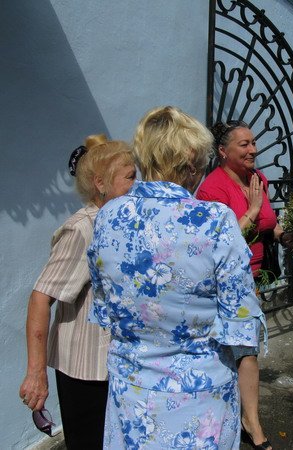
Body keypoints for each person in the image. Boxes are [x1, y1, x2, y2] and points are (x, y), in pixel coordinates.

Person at [88, 107, 267, 449]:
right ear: (192, 163)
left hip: (132, 392)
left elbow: (105, 307)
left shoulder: (108, 215)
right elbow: (240, 320)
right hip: (199, 397)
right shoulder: (214, 219)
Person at [19, 135, 136, 449]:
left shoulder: (123, 222)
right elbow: (41, 297)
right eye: (129, 177)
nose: (136, 185)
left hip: (118, 365)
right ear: (100, 183)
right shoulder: (83, 229)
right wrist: (36, 373)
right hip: (86, 371)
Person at [197, 120, 293, 450]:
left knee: (245, 350)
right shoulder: (211, 190)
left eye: (253, 143)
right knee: (241, 351)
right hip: (227, 280)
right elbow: (219, 242)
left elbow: (269, 223)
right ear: (223, 151)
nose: (253, 149)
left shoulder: (258, 179)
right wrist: (251, 210)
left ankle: (245, 418)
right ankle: (248, 422)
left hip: (254, 276)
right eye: (244, 144)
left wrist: (284, 234)